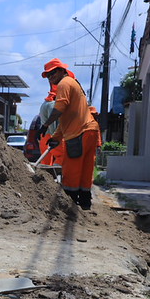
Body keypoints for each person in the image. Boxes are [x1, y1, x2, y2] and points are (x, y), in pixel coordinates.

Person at [37, 58, 100, 210]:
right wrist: (56, 138)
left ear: (61, 71)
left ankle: (68, 205)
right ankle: (85, 203)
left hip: (79, 133)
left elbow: (60, 107)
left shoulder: (64, 84)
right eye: (48, 76)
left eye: (52, 73)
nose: (50, 78)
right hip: (89, 131)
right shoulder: (74, 84)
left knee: (71, 169)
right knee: (85, 170)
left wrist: (45, 125)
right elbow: (67, 119)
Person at [37, 86, 64, 165]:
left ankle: (45, 173)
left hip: (44, 137)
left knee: (45, 161)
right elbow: (52, 123)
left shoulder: (44, 104)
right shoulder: (52, 105)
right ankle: (56, 170)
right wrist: (55, 137)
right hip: (50, 135)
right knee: (62, 156)